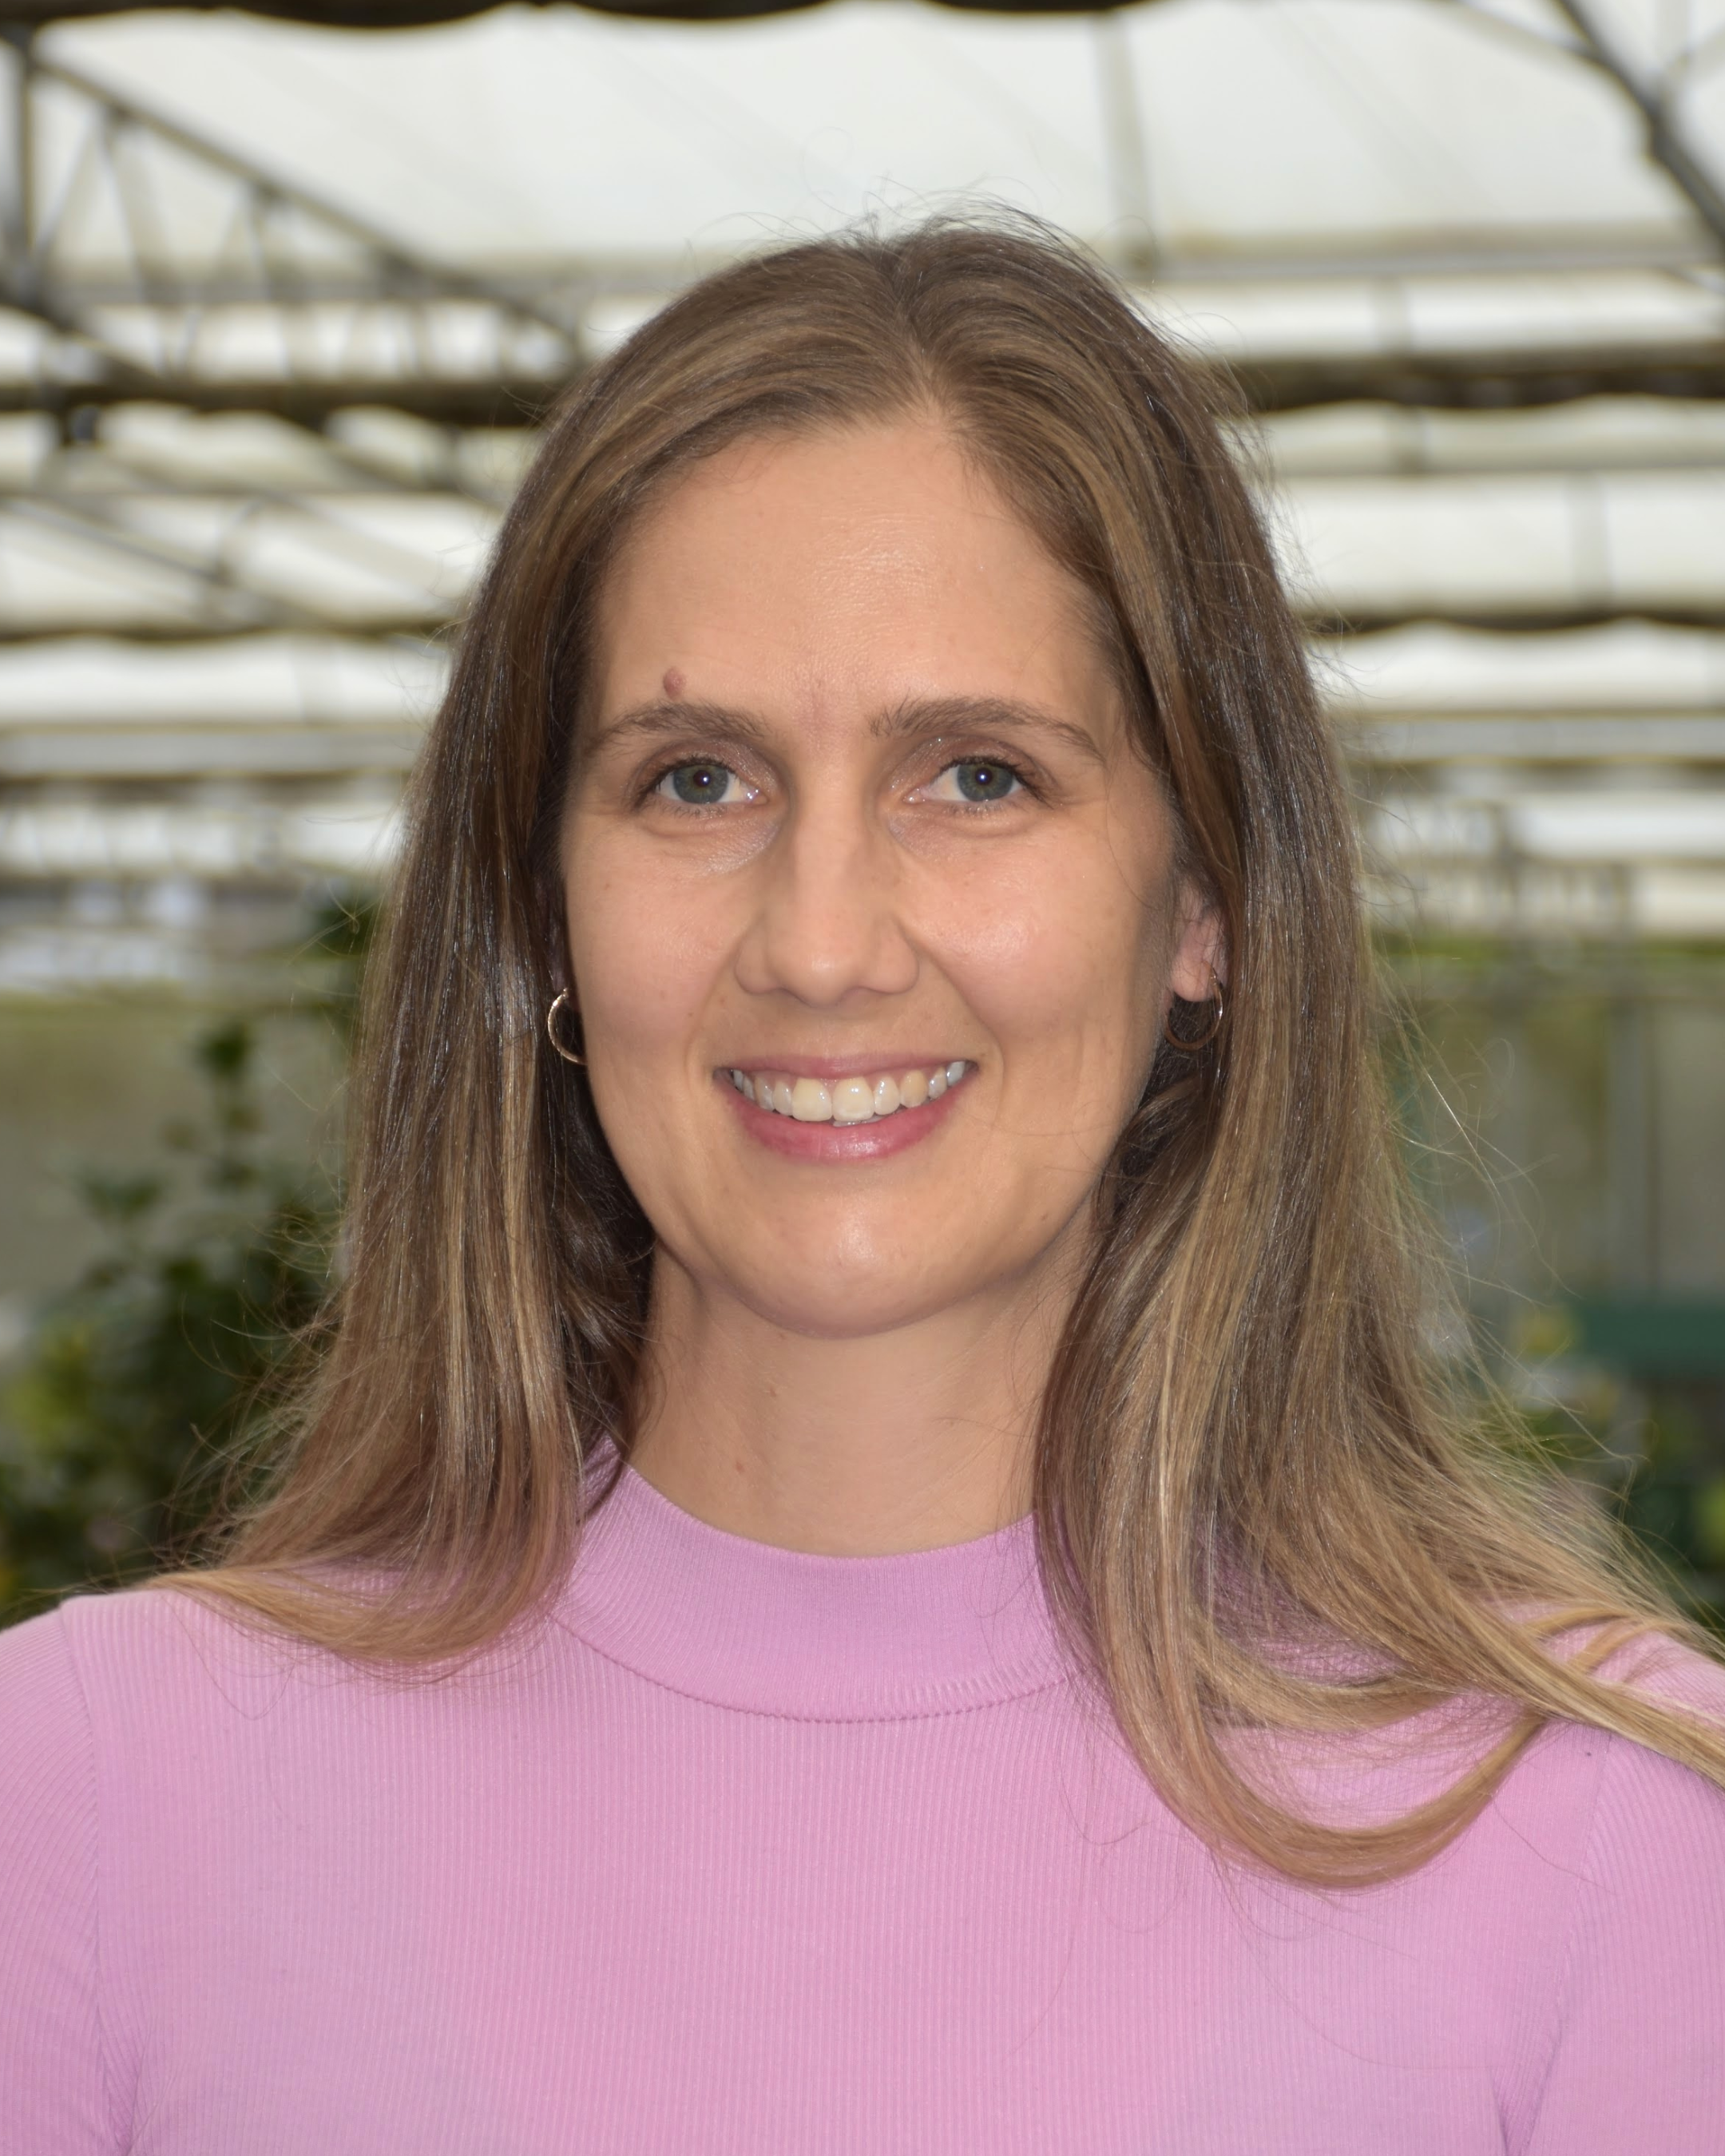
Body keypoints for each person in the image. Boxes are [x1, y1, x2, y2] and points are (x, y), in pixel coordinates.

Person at [2, 216, 1722, 2154]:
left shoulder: (1606, 1835)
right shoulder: (82, 1806)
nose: (822, 943)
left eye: (977, 775)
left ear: (1208, 901)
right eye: (698, 780)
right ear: (544, 907)